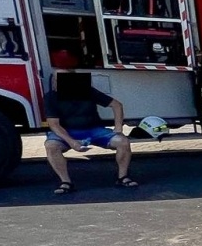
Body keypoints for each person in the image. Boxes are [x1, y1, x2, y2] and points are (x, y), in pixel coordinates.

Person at [43, 53, 137, 193]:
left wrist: (118, 128)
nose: (57, 82)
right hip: (68, 132)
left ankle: (122, 178)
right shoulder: (51, 97)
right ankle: (66, 182)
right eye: (56, 80)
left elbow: (117, 105)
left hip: (94, 130)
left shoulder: (87, 91)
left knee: (123, 142)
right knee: (50, 145)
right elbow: (54, 125)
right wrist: (72, 142)